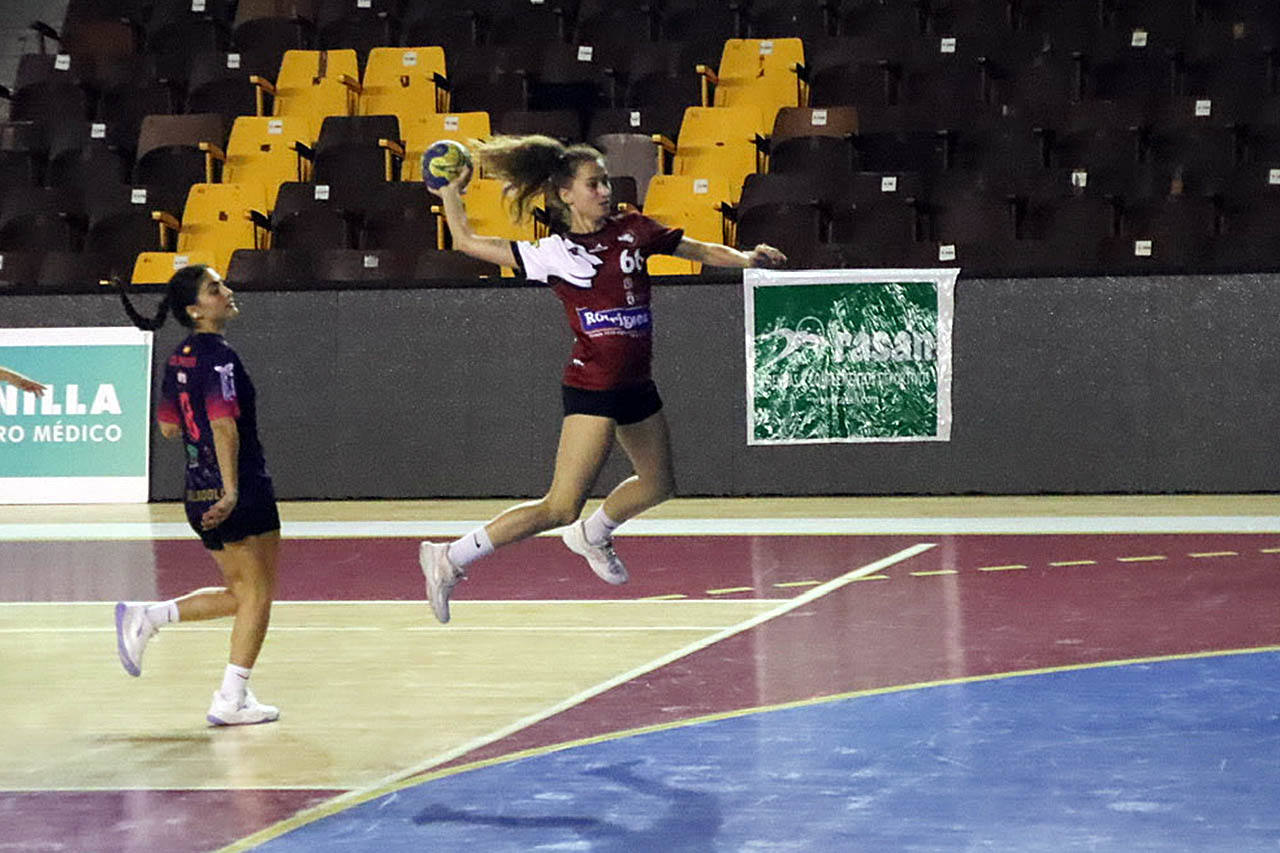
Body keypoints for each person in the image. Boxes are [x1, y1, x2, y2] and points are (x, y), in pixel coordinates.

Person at [419, 134, 787, 623]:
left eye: (606, 181)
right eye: (593, 184)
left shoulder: (634, 229)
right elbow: (466, 242)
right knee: (560, 506)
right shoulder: (554, 253)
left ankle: (593, 535)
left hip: (636, 383)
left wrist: (745, 259)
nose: (604, 190)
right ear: (566, 195)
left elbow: (697, 248)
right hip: (593, 388)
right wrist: (450, 194)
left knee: (659, 485)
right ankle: (449, 558)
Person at [115, 266, 281, 726]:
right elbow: (224, 426)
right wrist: (230, 489)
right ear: (195, 309)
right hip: (239, 487)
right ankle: (230, 697)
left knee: (245, 593)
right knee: (257, 595)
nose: (226, 292)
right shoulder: (219, 358)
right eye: (214, 289)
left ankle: (151, 617)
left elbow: (169, 428)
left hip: (195, 487)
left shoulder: (179, 357)